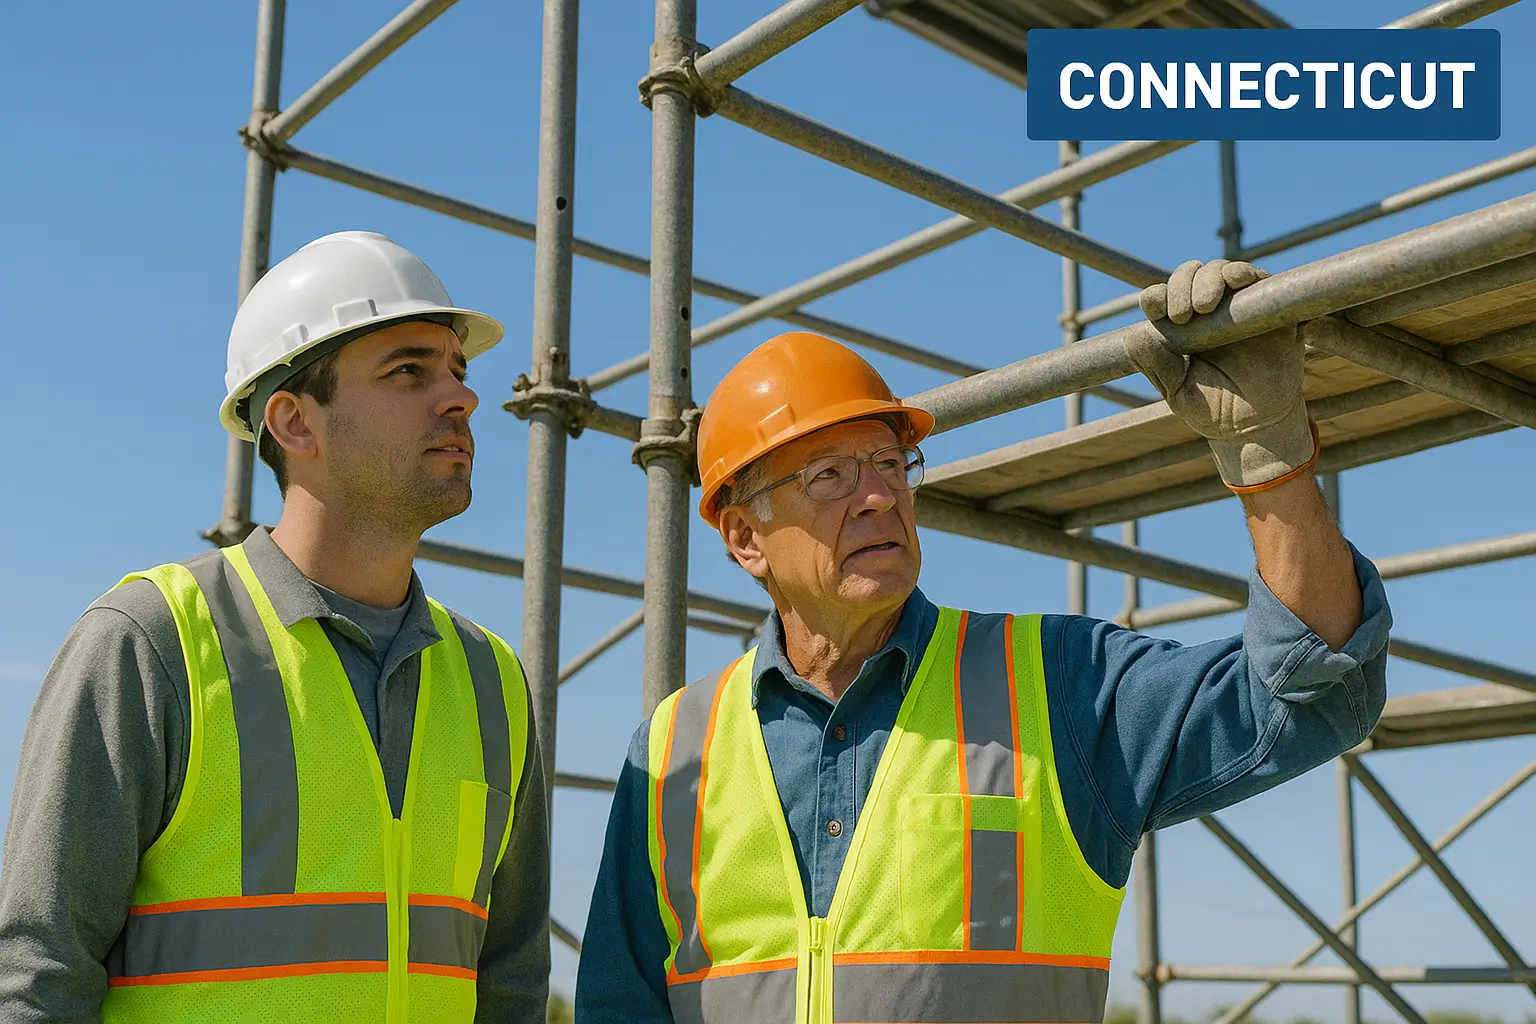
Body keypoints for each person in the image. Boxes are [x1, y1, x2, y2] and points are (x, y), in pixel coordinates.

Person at [574, 260, 1391, 1024]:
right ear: (746, 538)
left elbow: (1311, 684)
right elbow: (621, 1003)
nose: (876, 498)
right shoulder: (676, 748)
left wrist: (1268, 452)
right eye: (828, 476)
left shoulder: (1060, 687)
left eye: (891, 465)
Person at [0, 231, 550, 1022]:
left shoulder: (493, 684)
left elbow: (511, 985)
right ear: (293, 422)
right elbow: (39, 979)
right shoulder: (152, 644)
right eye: (408, 371)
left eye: (458, 371)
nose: (461, 397)